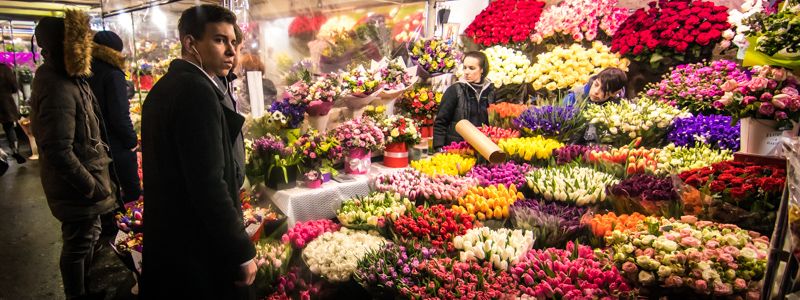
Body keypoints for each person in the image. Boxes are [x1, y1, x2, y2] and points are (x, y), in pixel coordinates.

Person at [140, 5, 256, 299]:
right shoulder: (196, 92)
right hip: (194, 248)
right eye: (219, 40)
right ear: (190, 44)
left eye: (234, 42)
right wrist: (241, 250)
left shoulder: (168, 86)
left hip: (171, 241)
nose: (231, 51)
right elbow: (208, 183)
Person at [30, 11, 117, 300]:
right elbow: (58, 149)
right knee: (78, 244)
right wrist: (92, 188)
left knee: (88, 238)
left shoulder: (68, 78)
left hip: (85, 182)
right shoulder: (57, 85)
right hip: (77, 188)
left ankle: (85, 290)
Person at [88, 31, 141, 203]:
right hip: (117, 144)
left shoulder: (87, 71)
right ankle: (132, 227)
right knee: (131, 193)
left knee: (110, 191)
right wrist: (132, 141)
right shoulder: (113, 73)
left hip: (97, 143)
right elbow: (119, 115)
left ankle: (116, 224)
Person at [433, 51, 495, 151]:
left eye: (471, 68)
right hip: (458, 148)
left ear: (482, 70)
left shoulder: (490, 91)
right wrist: (439, 147)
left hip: (484, 148)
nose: (466, 72)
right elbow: (441, 121)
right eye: (465, 67)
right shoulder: (455, 90)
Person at [0, 62, 26, 164]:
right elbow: (14, 88)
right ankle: (15, 150)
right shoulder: (5, 69)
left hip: (5, 102)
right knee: (9, 128)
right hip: (5, 102)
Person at [562, 67, 628, 106]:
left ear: (614, 93)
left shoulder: (619, 105)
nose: (596, 91)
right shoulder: (573, 98)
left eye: (603, 89)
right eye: (596, 84)